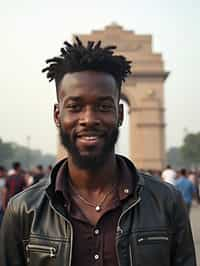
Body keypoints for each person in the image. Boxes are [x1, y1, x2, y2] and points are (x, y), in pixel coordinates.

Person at [0, 37, 196, 266]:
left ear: (120, 114)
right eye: (75, 107)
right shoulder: (22, 210)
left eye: (104, 107)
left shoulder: (167, 202)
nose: (89, 119)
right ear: (57, 115)